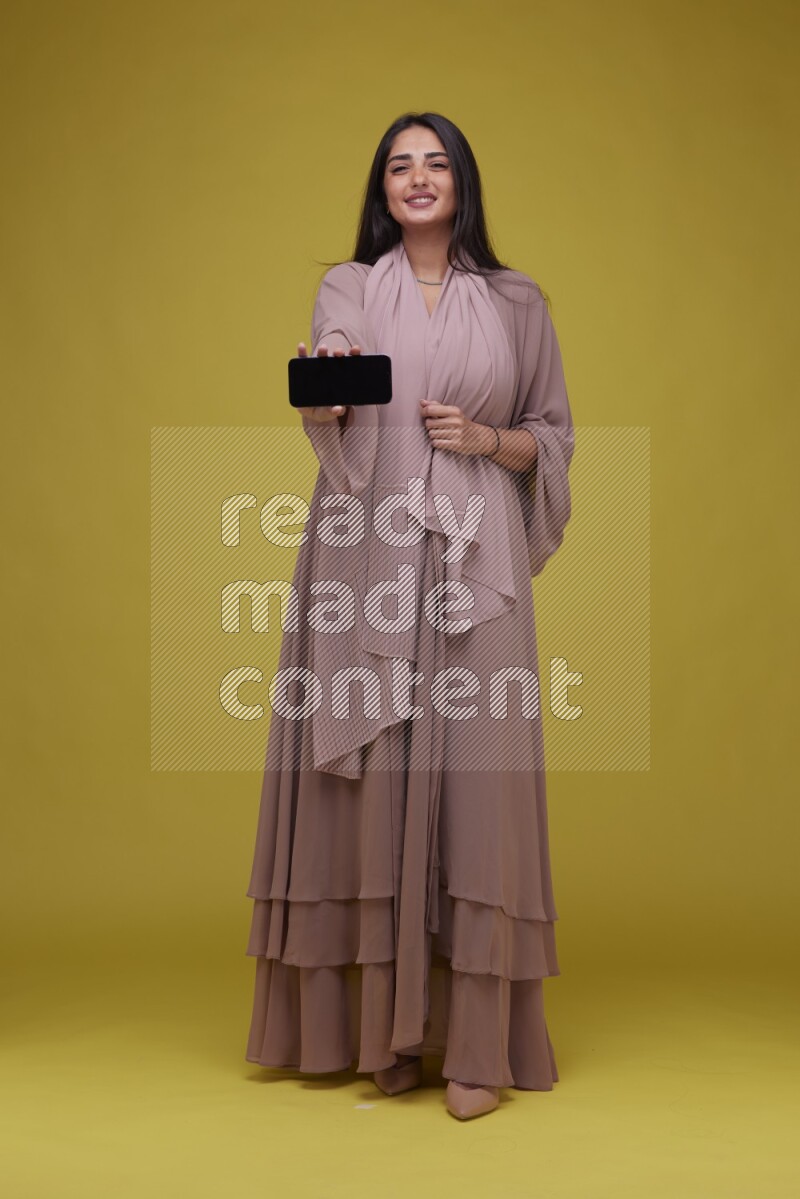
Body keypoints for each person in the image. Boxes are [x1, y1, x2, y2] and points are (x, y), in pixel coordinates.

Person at [244, 111, 575, 1120]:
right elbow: (338, 379)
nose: (418, 178)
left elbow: (551, 436)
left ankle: (474, 1045)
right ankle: (387, 1032)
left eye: (435, 162)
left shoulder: (517, 302)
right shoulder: (349, 286)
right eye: (400, 165)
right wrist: (325, 390)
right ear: (381, 187)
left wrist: (483, 435)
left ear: (460, 180)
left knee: (475, 787)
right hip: (365, 548)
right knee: (376, 778)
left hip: (475, 554)